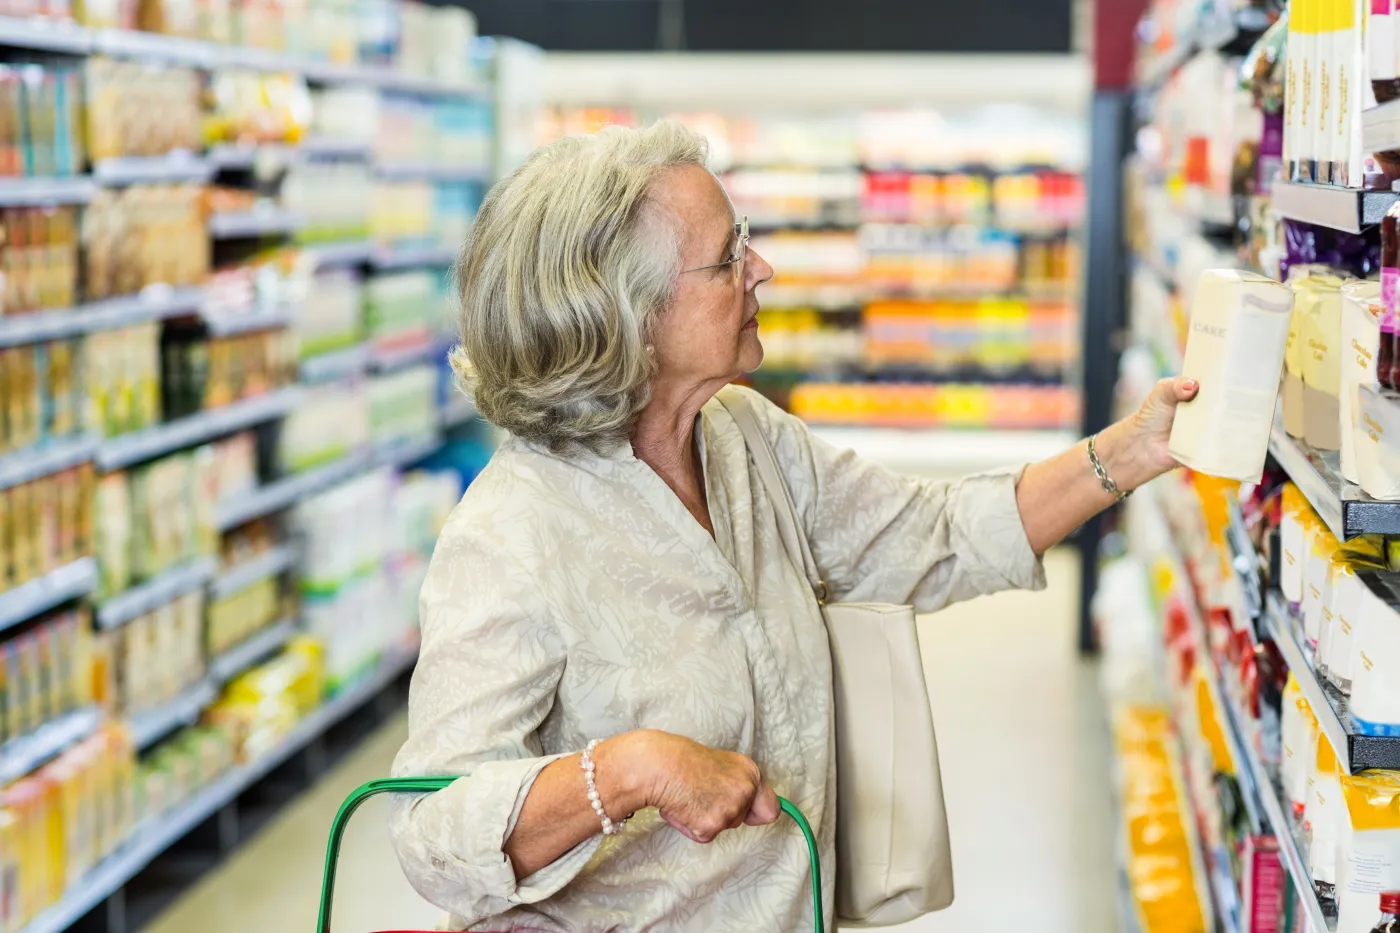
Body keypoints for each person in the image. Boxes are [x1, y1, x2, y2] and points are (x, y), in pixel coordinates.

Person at [388, 120, 1197, 933]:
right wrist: (627, 769)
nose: (762, 269)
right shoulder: (511, 531)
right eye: (728, 256)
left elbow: (930, 535)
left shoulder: (742, 433)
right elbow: (434, 830)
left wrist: (1133, 449)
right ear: (628, 317)